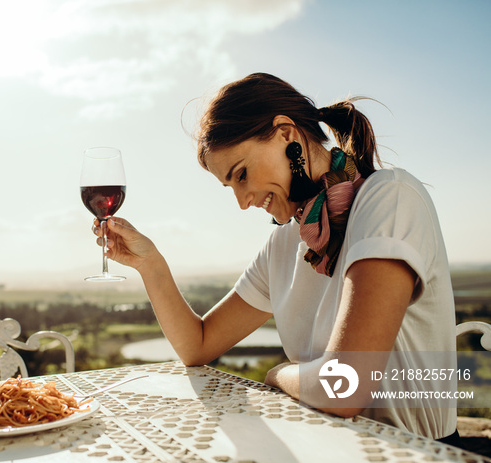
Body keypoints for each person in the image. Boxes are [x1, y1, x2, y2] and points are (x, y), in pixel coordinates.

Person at [91, 73, 458, 443]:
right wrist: (150, 263)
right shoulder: (286, 242)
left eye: (243, 175)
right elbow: (197, 345)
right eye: (231, 187)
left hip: (419, 454)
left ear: (286, 133)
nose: (242, 200)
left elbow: (344, 386)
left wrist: (279, 374)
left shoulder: (389, 199)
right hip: (326, 448)